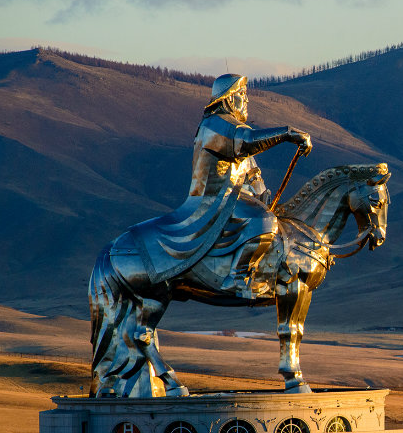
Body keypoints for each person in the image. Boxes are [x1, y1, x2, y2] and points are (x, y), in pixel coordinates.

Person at [130, 74, 311, 297]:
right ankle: (236, 278)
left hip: (233, 197)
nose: (246, 101)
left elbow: (251, 171)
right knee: (263, 222)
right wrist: (287, 133)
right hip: (214, 199)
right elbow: (247, 141)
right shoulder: (216, 124)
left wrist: (261, 193)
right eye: (241, 95)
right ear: (227, 99)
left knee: (270, 219)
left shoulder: (233, 128)